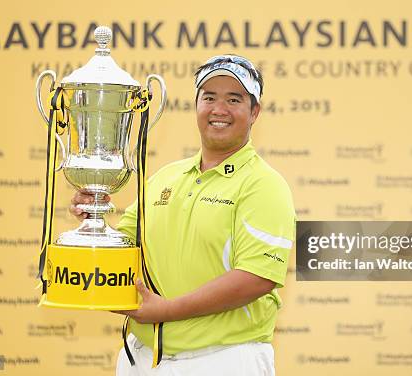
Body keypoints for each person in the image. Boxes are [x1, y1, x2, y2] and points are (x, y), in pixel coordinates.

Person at [70, 54, 296, 375]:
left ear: (254, 111)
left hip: (223, 359)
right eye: (209, 98)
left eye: (234, 99)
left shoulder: (264, 184)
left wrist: (166, 310)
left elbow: (257, 278)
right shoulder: (165, 177)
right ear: (197, 106)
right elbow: (124, 249)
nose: (219, 109)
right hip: (143, 358)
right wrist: (92, 217)